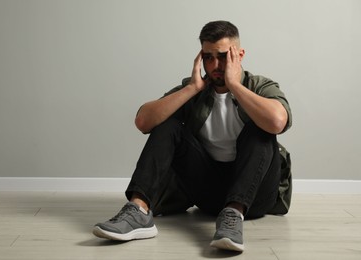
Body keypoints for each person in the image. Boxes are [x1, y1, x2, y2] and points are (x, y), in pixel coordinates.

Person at [93, 20, 292, 252]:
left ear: (239, 54)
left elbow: (278, 121)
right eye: (208, 57)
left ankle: (233, 216)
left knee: (262, 128)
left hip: (256, 195)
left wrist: (234, 85)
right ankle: (138, 211)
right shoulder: (196, 87)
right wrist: (192, 89)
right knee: (168, 124)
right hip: (208, 193)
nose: (215, 64)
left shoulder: (258, 85)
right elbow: (143, 121)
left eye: (222, 56)